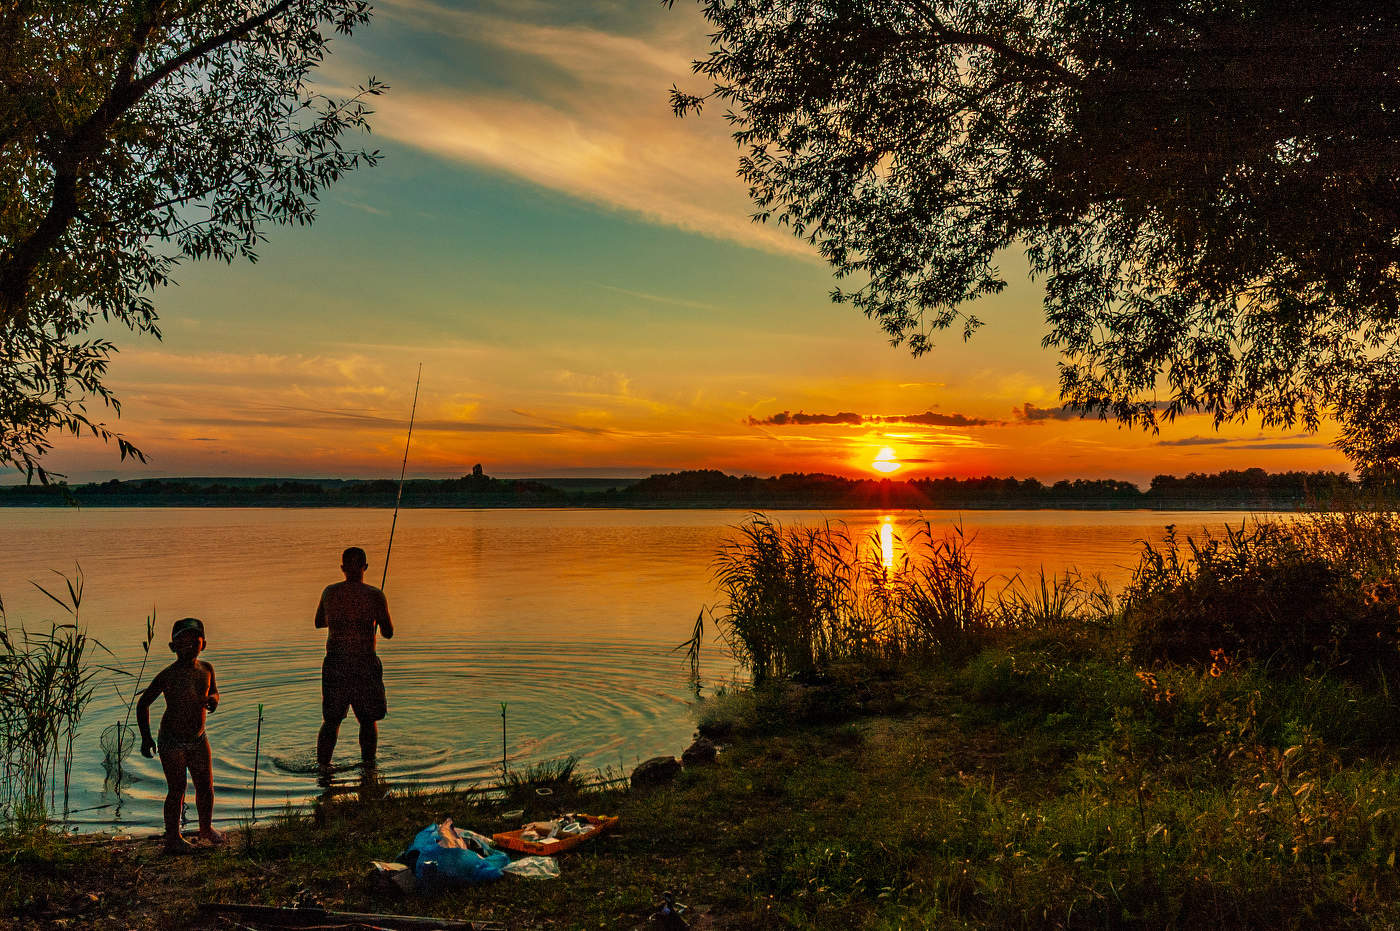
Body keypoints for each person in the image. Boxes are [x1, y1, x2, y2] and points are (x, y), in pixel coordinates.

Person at [137, 616, 223, 854]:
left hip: (198, 738)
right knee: (177, 789)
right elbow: (143, 704)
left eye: (193, 642)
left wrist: (214, 700)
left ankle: (205, 828)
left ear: (203, 644)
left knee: (206, 787)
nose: (188, 647)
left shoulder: (207, 669)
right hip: (172, 741)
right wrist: (146, 737)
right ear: (172, 647)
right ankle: (173, 838)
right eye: (181, 643)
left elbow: (214, 691)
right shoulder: (168, 675)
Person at [316, 546, 394, 776]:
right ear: (365, 567)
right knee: (368, 720)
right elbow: (388, 632)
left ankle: (323, 768)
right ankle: (368, 769)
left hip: (336, 663)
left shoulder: (330, 593)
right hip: (364, 664)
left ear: (342, 568)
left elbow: (320, 622)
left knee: (331, 720)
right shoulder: (374, 595)